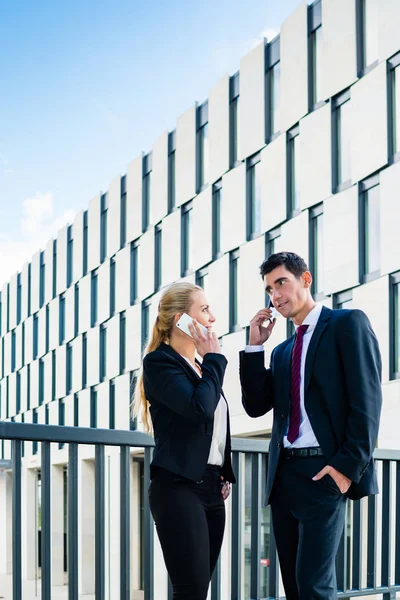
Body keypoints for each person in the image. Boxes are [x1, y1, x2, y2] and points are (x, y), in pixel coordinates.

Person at [239, 251, 382, 600]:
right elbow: (256, 406)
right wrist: (254, 348)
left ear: (306, 279)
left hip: (325, 472)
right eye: (270, 289)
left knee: (315, 587)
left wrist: (346, 468)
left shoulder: (347, 324)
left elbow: (366, 403)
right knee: (294, 587)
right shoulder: (283, 351)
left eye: (281, 283)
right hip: (285, 476)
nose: (275, 296)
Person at [133, 281, 235, 600]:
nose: (212, 318)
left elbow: (215, 427)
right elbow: (200, 409)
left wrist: (223, 471)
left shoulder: (199, 367)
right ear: (181, 319)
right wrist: (215, 360)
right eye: (204, 310)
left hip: (210, 488)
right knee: (189, 591)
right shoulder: (160, 363)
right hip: (177, 488)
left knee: (199, 590)